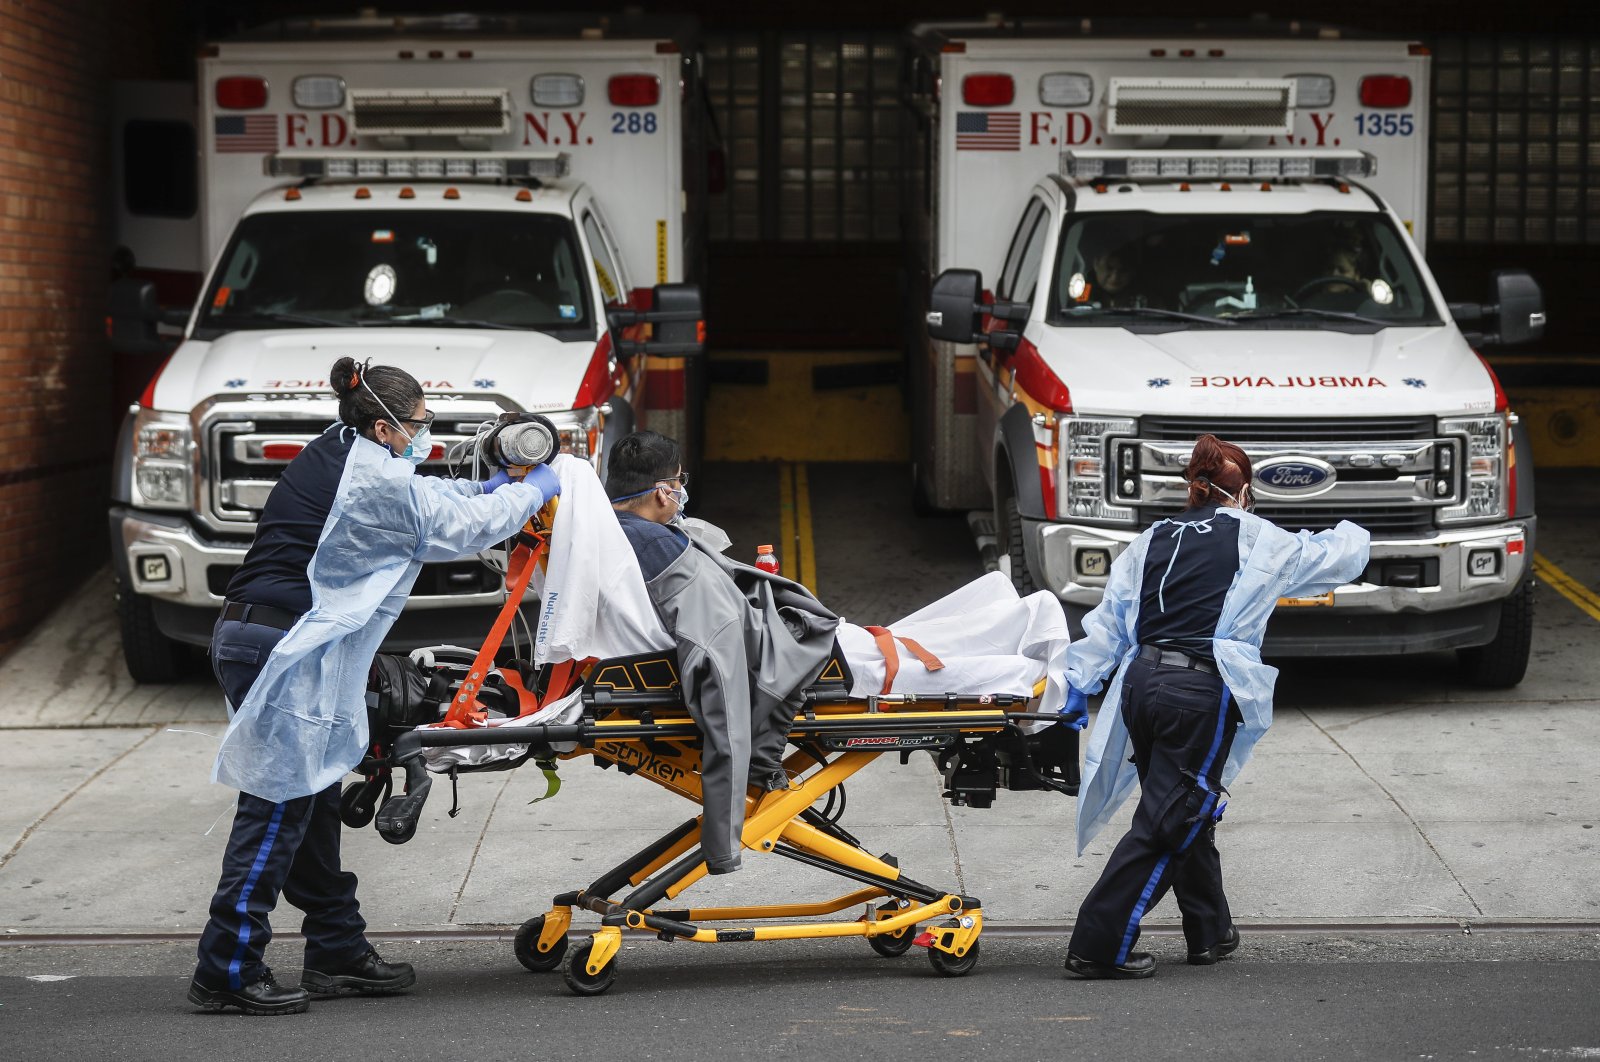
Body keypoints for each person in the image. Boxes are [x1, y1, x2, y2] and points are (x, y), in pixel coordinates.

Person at [189, 357, 561, 1015]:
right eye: (419, 424)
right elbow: (455, 527)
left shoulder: (340, 451)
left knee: (308, 802)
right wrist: (532, 490)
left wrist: (491, 486)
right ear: (386, 427)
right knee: (278, 805)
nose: (425, 434)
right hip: (285, 646)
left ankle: (336, 948)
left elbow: (431, 498)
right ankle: (226, 967)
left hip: (264, 635)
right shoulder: (369, 479)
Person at [1058, 434, 1369, 979]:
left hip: (1141, 685)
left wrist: (1075, 684)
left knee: (1183, 804)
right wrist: (1354, 524)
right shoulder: (1257, 539)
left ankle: (1210, 932)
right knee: (1170, 815)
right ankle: (1097, 944)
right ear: (1243, 491)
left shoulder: (1151, 538)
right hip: (1197, 691)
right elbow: (1339, 557)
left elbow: (1109, 623)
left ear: (1193, 489)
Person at [605, 431, 839, 874]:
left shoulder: (605, 530)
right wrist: (723, 839)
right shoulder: (661, 548)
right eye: (678, 482)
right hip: (783, 647)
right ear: (662, 492)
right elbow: (721, 662)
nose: (681, 491)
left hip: (757, 631)